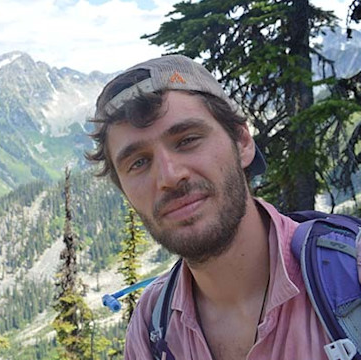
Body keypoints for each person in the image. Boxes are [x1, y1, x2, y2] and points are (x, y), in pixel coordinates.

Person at [86, 54, 334, 360]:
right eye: (138, 163)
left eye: (187, 140)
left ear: (242, 143)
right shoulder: (150, 327)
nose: (169, 177)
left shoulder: (351, 277)